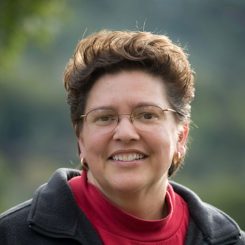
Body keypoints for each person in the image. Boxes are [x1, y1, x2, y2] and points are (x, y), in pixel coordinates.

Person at [0, 30, 244, 245]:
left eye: (147, 115)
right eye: (105, 117)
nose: (125, 134)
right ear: (80, 139)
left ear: (181, 136)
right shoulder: (10, 237)